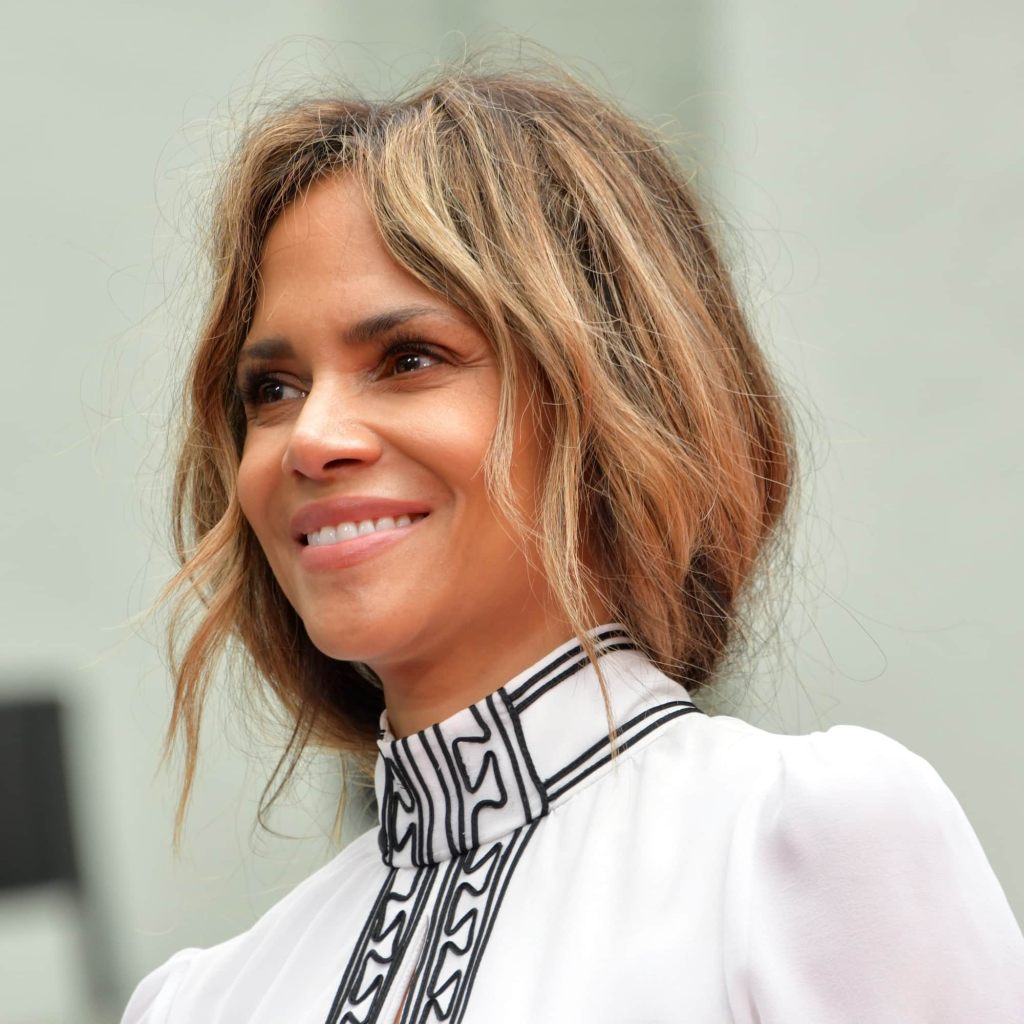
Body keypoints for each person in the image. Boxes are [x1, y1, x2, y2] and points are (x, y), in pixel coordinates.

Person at [122, 60, 1024, 1023]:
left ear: (611, 400)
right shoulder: (201, 1003)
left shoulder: (800, 849)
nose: (310, 438)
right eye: (274, 389)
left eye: (409, 359)